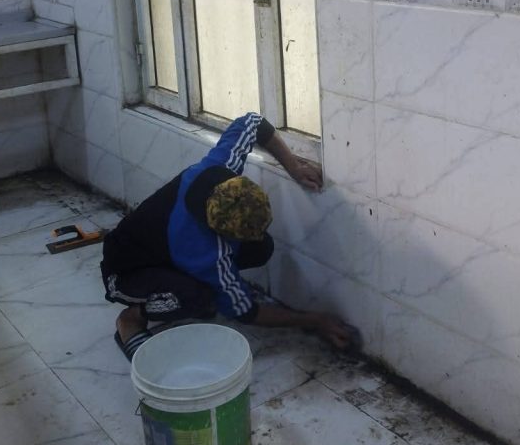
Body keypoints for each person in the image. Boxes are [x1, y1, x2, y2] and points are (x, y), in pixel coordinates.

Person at [101, 112, 354, 360]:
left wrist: (295, 167)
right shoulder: (204, 251)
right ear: (220, 234)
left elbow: (253, 122)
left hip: (163, 248)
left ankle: (186, 285)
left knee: (261, 247)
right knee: (198, 297)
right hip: (124, 273)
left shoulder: (221, 167)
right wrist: (314, 320)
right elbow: (246, 312)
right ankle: (131, 318)